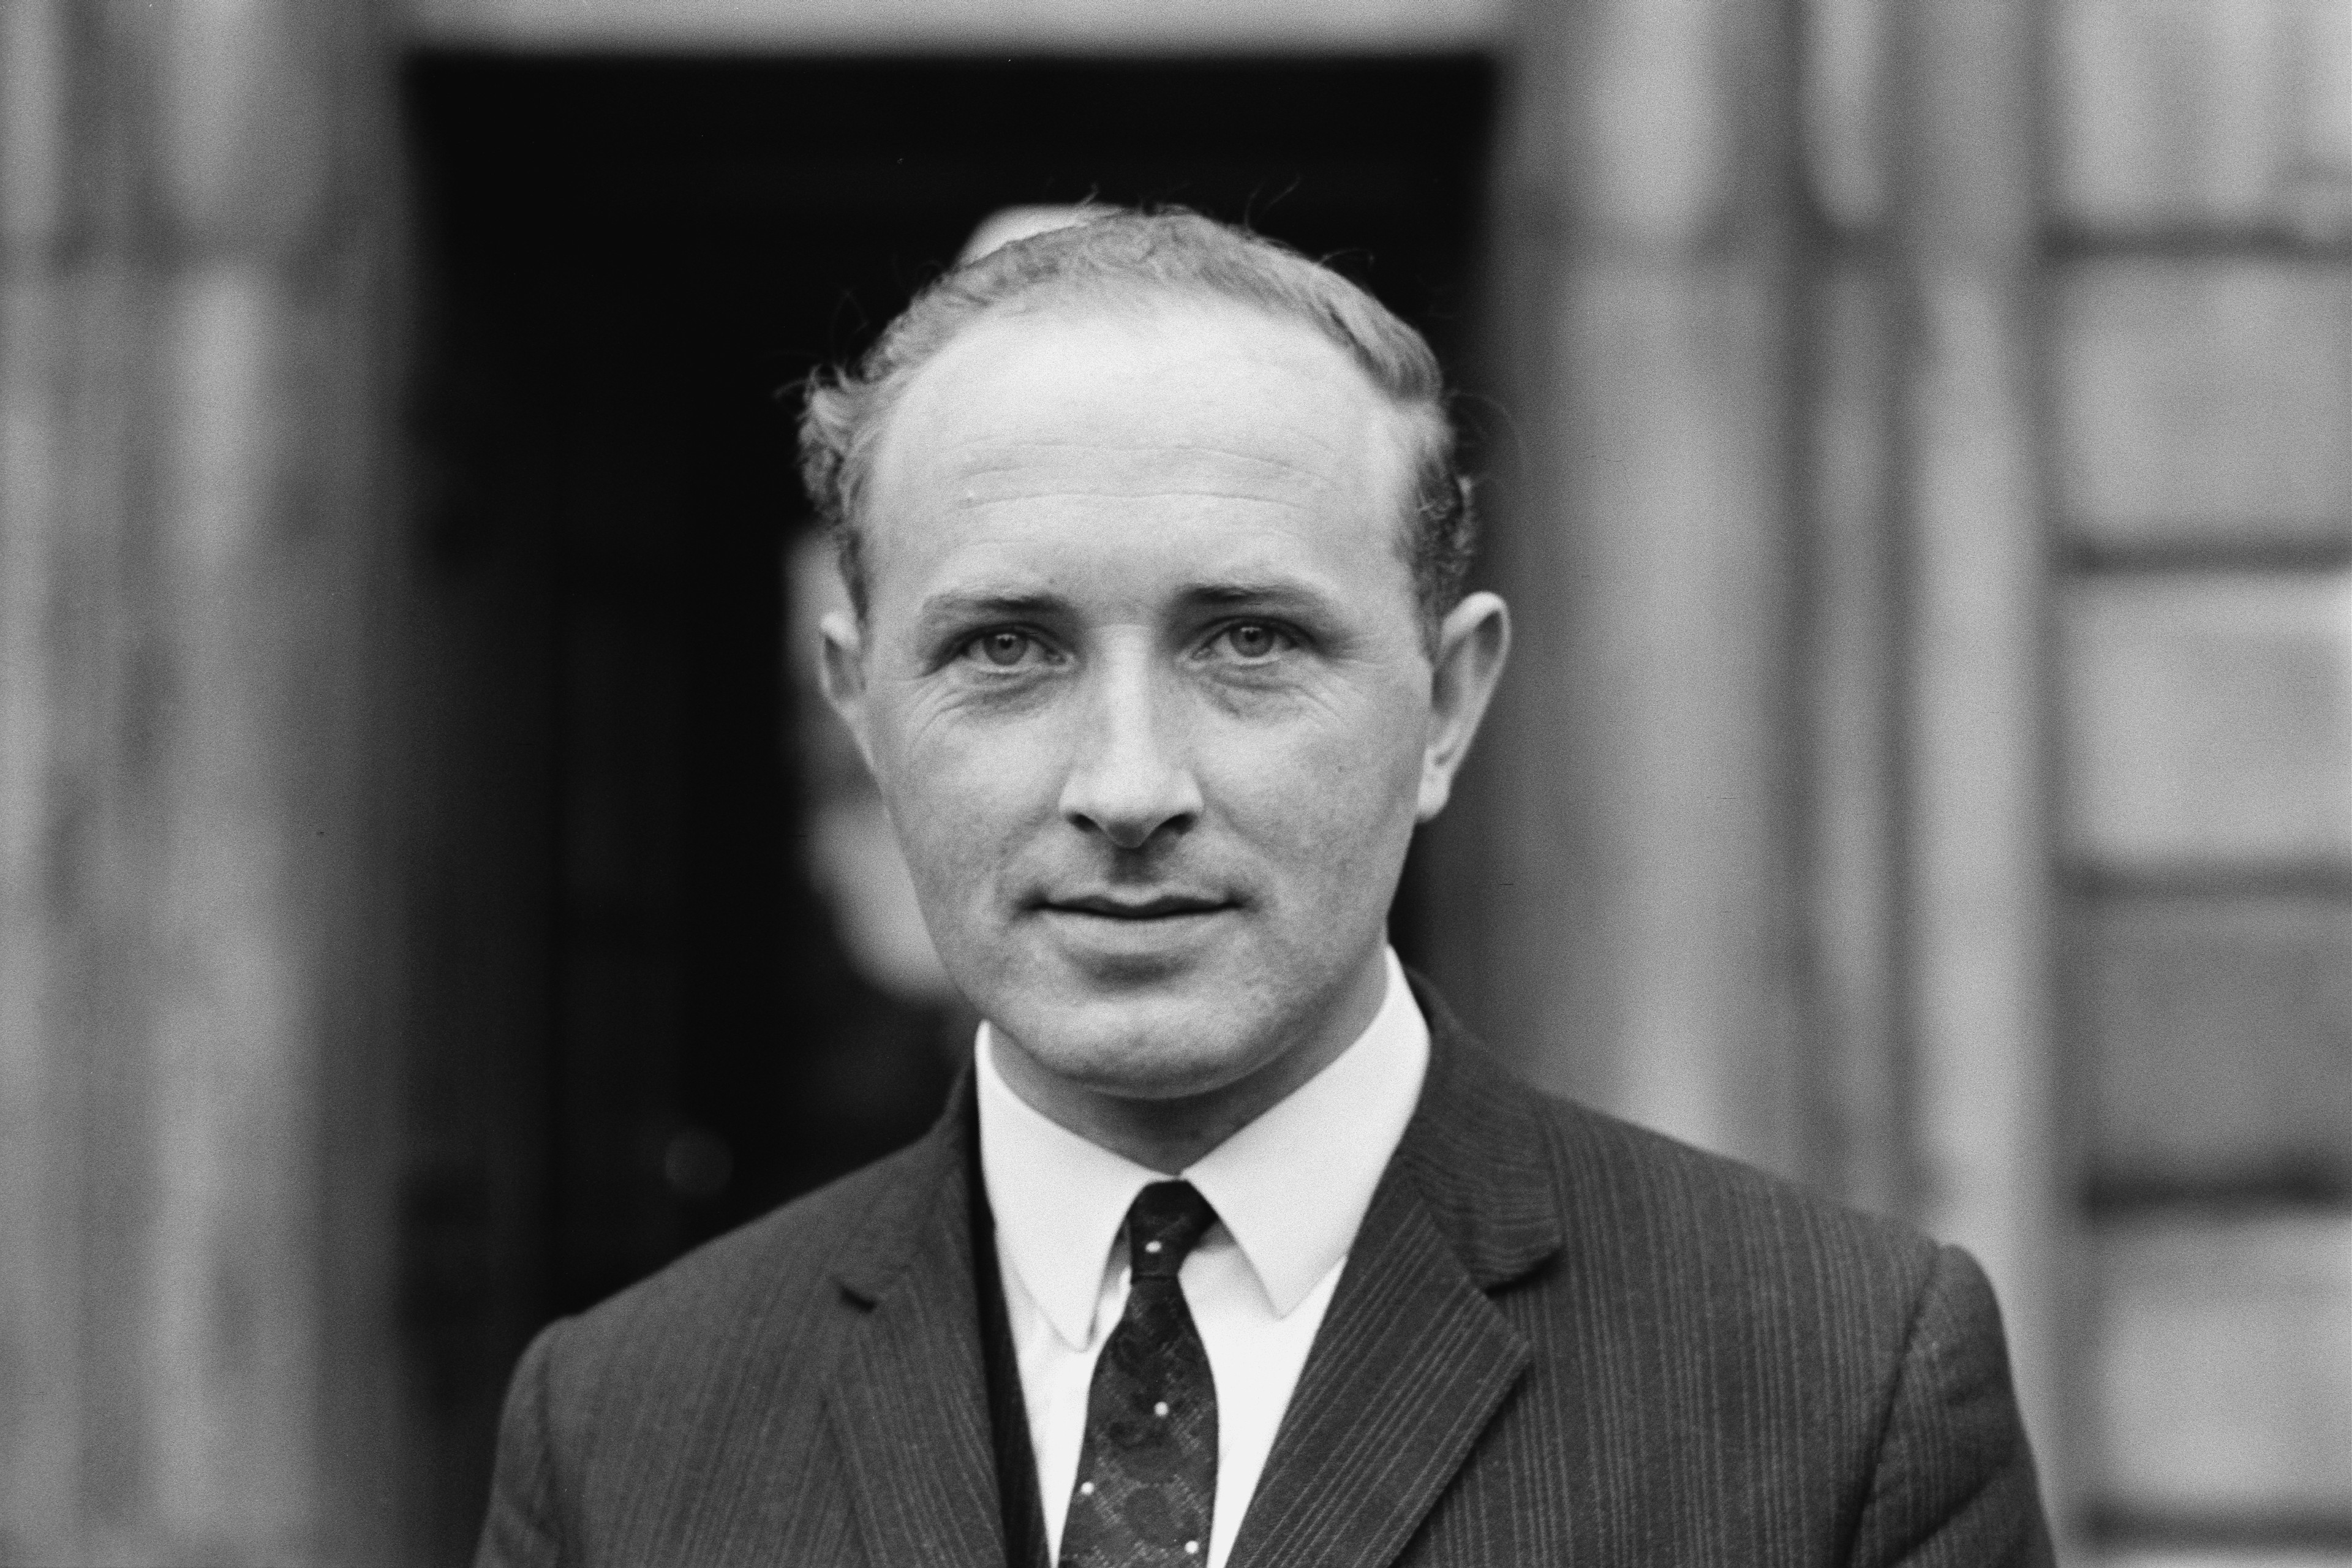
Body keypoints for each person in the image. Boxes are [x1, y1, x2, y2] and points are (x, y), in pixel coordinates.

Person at [475, 209, 2054, 1567]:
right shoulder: (619, 1431)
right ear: (859, 708)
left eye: (1250, 642)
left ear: (1446, 704)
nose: (1129, 786)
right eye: (1005, 651)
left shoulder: (1838, 1383)